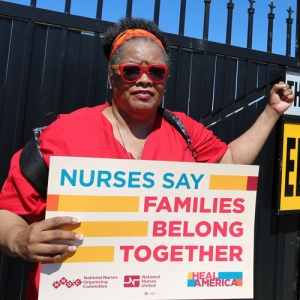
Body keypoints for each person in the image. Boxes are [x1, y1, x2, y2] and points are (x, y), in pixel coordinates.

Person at [0, 17, 294, 300]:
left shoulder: (185, 131)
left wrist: (271, 113)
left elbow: (230, 164)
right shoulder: (64, 133)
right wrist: (19, 240)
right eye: (131, 71)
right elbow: (8, 213)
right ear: (112, 76)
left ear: (165, 80)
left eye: (156, 72)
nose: (144, 80)